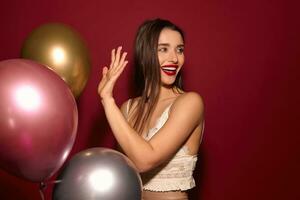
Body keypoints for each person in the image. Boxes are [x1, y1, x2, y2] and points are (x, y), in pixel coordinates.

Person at [98, 18, 204, 200]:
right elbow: (122, 174)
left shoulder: (190, 103)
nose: (174, 58)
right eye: (163, 49)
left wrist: (107, 101)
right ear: (144, 54)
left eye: (180, 50)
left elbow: (144, 160)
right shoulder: (128, 109)